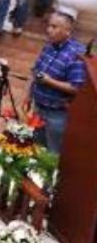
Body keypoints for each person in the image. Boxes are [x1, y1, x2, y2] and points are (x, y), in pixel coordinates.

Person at [29, 11, 88, 154]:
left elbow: (77, 88)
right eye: (49, 25)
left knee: (53, 154)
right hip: (38, 108)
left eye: (54, 27)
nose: (49, 30)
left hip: (56, 114)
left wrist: (49, 81)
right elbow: (35, 71)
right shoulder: (49, 46)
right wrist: (28, 95)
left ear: (67, 31)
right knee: (35, 148)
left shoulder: (76, 54)